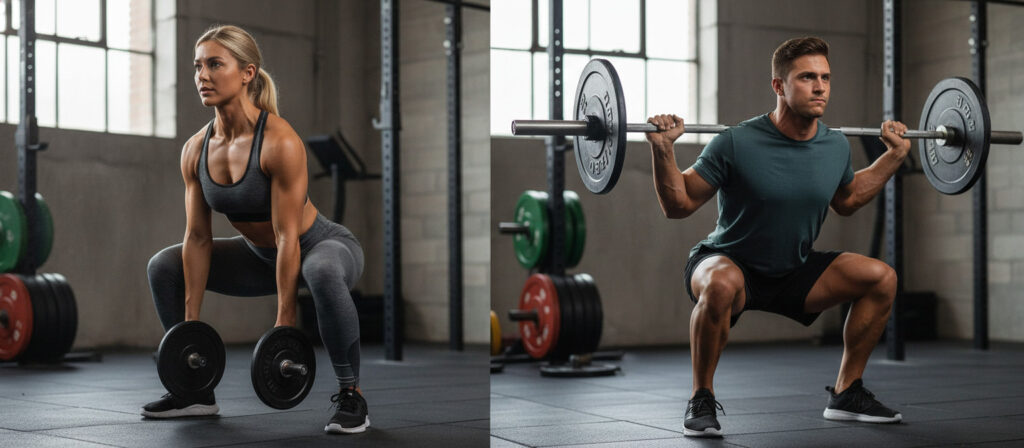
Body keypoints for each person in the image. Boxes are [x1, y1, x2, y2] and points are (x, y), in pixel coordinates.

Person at [645, 37, 909, 438]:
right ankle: (701, 397)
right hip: (728, 261)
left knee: (881, 277)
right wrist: (663, 151)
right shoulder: (736, 141)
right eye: (807, 77)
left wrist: (892, 157)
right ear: (779, 86)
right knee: (719, 282)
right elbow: (679, 204)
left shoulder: (835, 146)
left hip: (793, 269)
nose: (820, 87)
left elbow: (849, 199)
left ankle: (846, 393)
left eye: (825, 77)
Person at [140, 25, 368, 435]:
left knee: (320, 272)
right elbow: (198, 238)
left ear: (247, 73)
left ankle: (352, 395)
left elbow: (287, 237)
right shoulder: (196, 149)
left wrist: (285, 323)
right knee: (163, 266)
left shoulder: (279, 141)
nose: (202, 76)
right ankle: (194, 391)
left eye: (214, 64)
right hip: (259, 257)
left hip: (320, 245)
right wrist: (190, 331)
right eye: (197, 67)